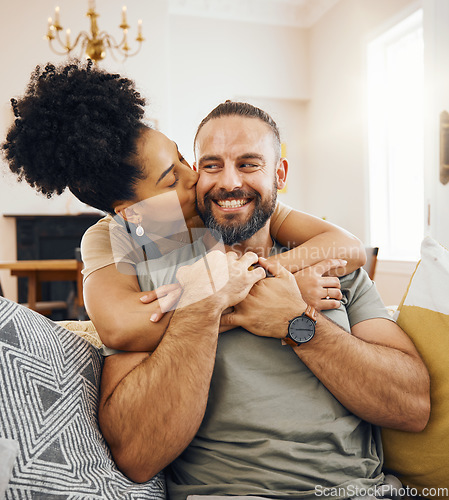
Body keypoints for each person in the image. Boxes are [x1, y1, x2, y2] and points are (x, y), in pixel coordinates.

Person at [97, 101, 430, 499]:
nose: (229, 182)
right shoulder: (152, 277)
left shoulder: (329, 267)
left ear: (280, 174)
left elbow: (412, 408)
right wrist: (206, 305)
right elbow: (136, 455)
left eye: (250, 164)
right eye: (212, 165)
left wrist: (297, 323)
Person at [1, 59, 365, 356]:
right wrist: (247, 302)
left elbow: (347, 247)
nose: (194, 175)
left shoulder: (220, 207)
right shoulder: (114, 239)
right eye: (170, 179)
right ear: (130, 212)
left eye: (180, 158)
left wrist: (259, 276)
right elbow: (120, 328)